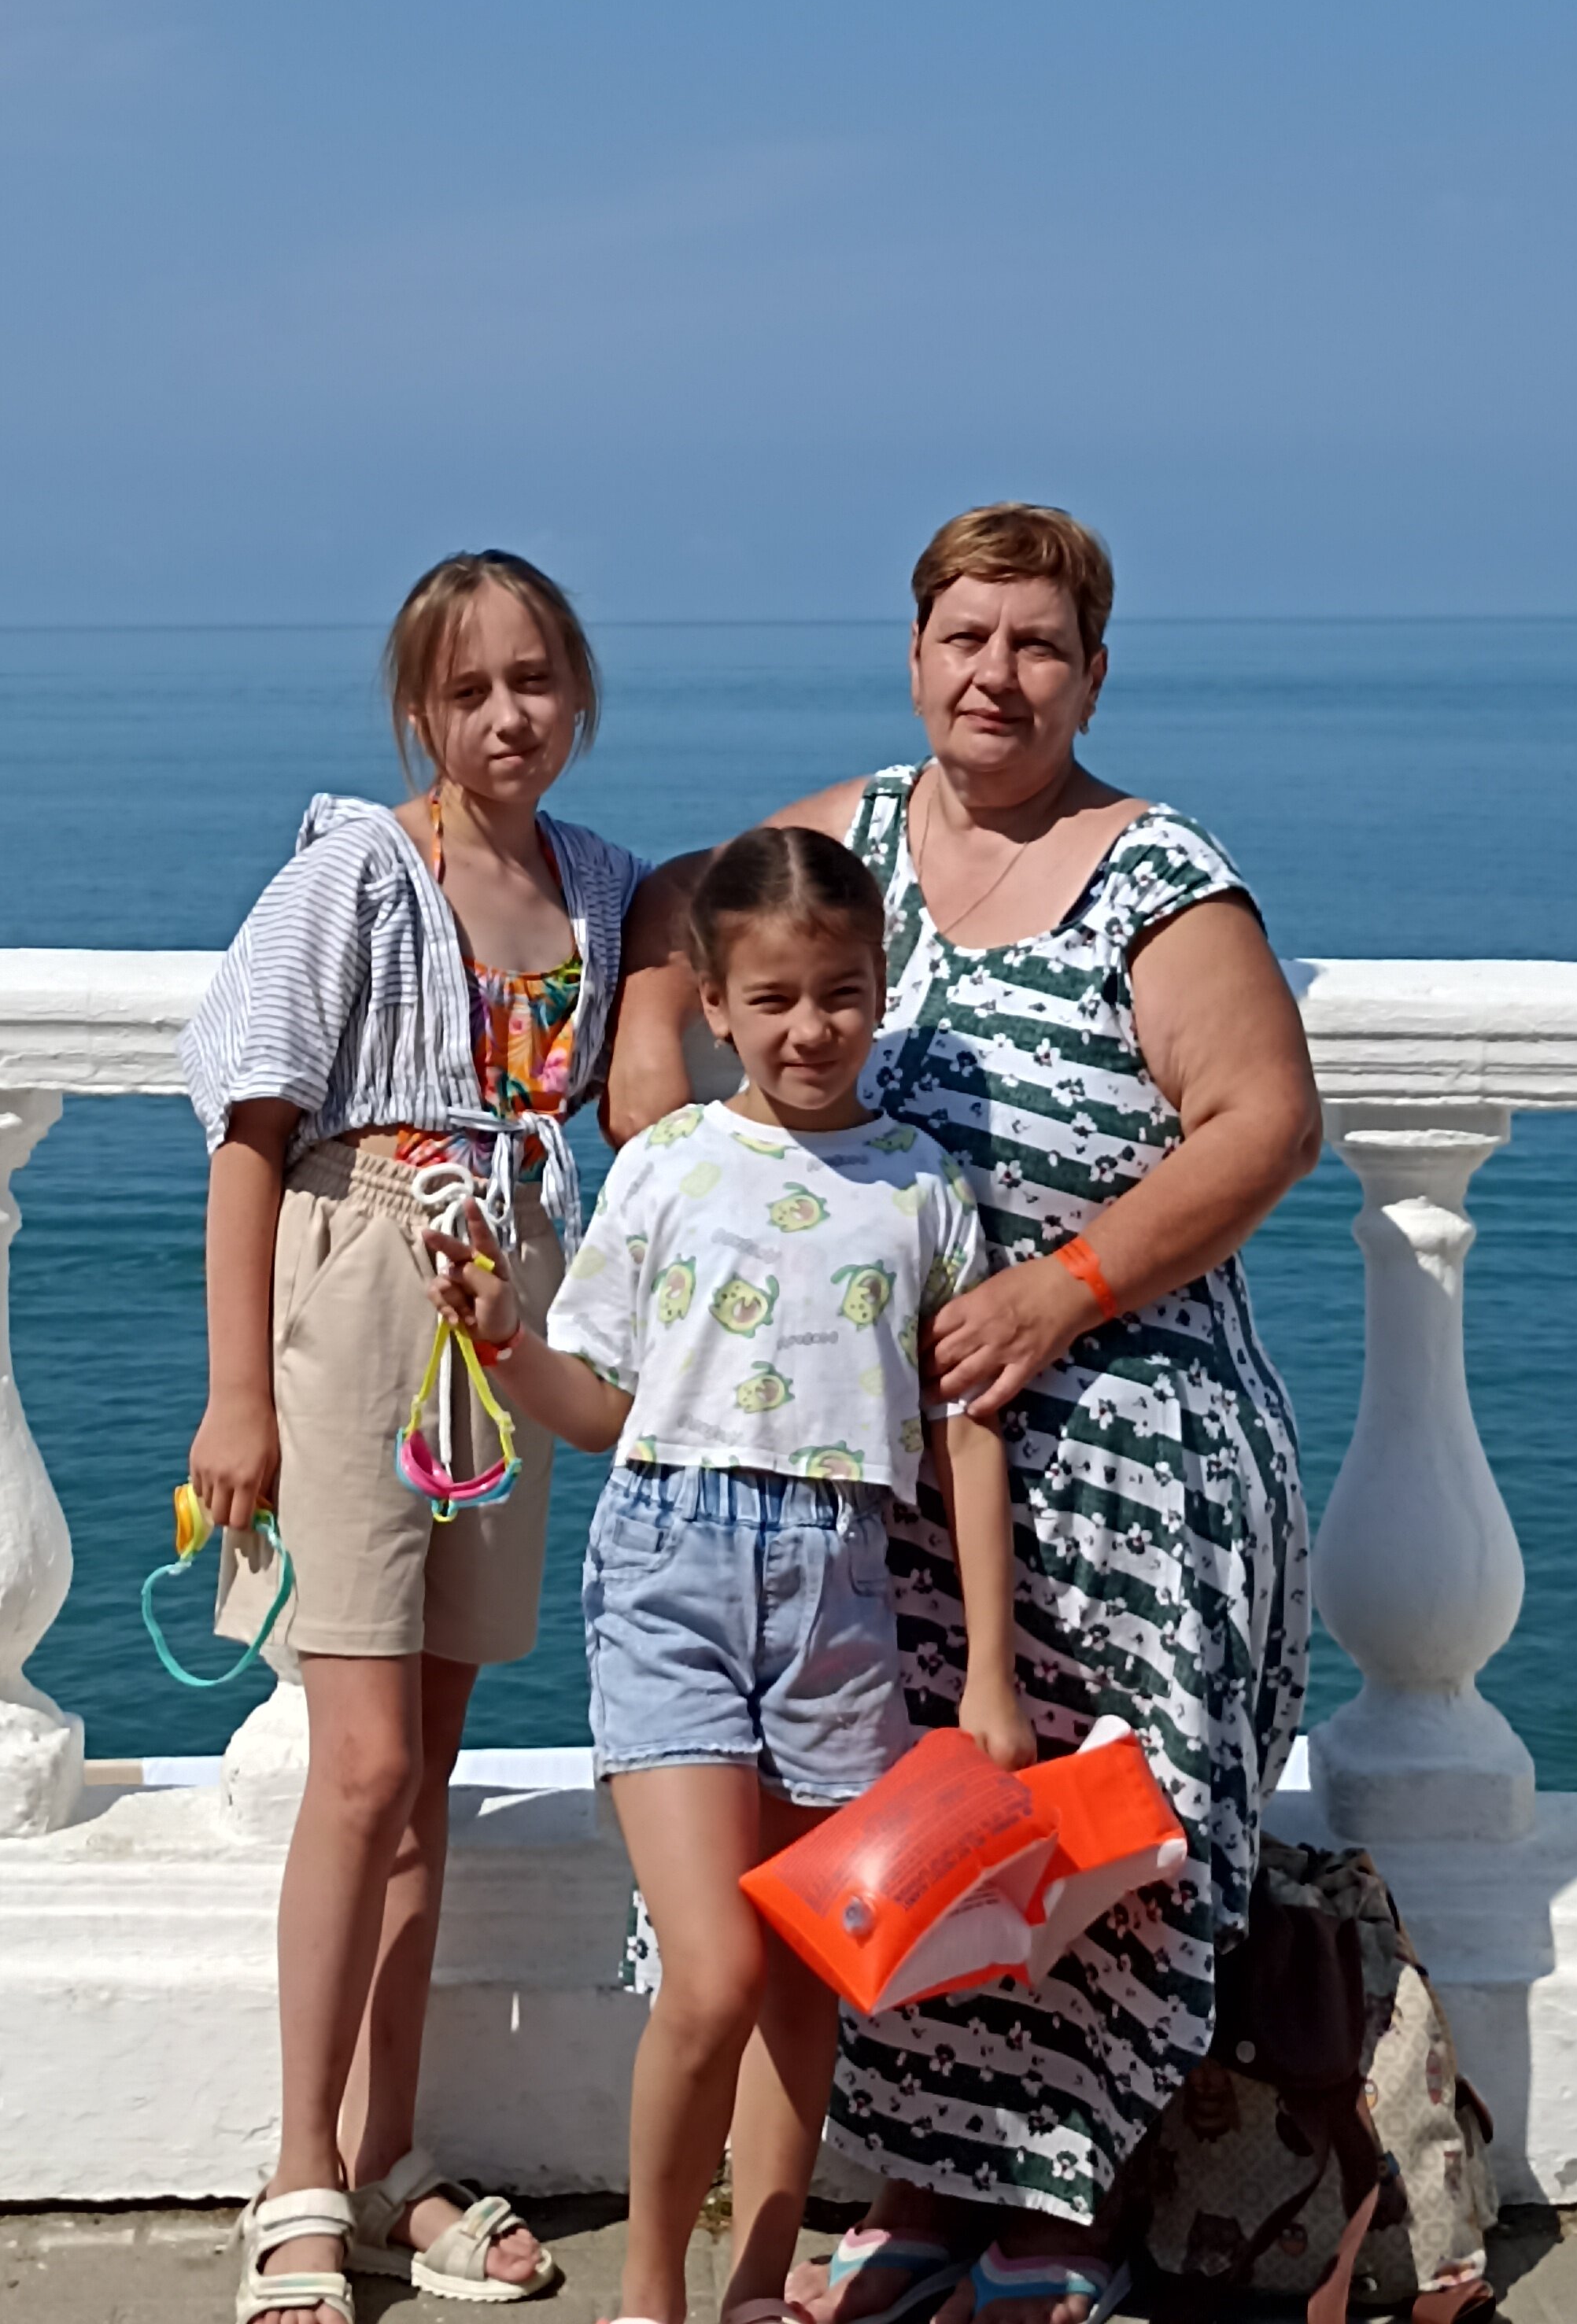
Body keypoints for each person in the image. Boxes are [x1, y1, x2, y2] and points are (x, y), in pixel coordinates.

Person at [609, 506, 1322, 2324]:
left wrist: (1064, 1283)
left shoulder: (1157, 876)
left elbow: (1263, 1119)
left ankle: (1069, 2199)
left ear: (1091, 670)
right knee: (917, 1840)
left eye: (1036, 642)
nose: (995, 673)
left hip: (1126, 1451)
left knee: (1081, 1851)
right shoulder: (846, 833)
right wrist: (647, 1106)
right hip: (892, 1471)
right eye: (964, 635)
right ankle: (927, 2176)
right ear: (914, 651)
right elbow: (671, 922)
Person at [429, 824, 1032, 2324]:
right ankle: (652, 2298)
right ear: (713, 1005)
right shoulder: (670, 1167)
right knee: (711, 1976)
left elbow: (966, 1435)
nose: (810, 1029)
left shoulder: (923, 1189)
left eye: (840, 994)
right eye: (772, 1000)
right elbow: (600, 1406)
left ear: (881, 988)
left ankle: (757, 2287)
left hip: (839, 1593)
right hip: (670, 1573)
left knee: (804, 1973)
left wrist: (993, 1677)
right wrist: (505, 1335)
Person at [179, 551, 643, 2324]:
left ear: (576, 687)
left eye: (533, 679)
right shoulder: (357, 874)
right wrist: (237, 1394)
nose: (506, 716)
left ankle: (387, 2157)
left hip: (506, 1304)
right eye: (467, 691)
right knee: (362, 1764)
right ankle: (298, 2168)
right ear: (417, 711)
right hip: (365, 1282)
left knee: (426, 1766)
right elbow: (250, 1134)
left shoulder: (601, 885)